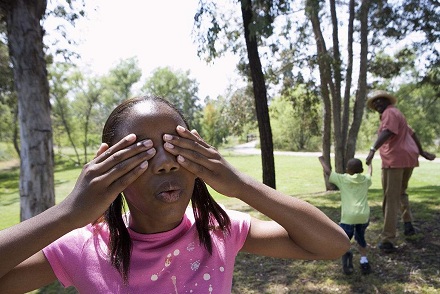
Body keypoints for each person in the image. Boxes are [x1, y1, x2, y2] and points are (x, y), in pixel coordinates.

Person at [0, 96, 350, 293]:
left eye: (176, 147)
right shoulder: (82, 247)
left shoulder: (217, 229)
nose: (166, 164)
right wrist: (68, 215)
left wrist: (241, 185)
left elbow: (332, 244)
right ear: (109, 168)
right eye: (144, 152)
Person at [365, 90, 436, 253]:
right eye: (374, 103)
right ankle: (408, 223)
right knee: (401, 192)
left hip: (395, 160)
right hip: (408, 158)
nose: (377, 105)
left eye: (379, 101)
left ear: (386, 101)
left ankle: (388, 239)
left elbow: (388, 132)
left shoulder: (390, 113)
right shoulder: (397, 114)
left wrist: (372, 149)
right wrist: (422, 152)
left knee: (390, 197)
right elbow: (412, 133)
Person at [319, 156, 372, 275]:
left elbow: (328, 172)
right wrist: (370, 164)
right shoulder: (365, 180)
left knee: (344, 238)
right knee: (361, 237)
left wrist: (322, 160)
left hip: (348, 217)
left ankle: (347, 254)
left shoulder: (343, 179)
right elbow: (370, 173)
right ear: (361, 170)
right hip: (363, 216)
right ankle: (364, 261)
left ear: (347, 170)